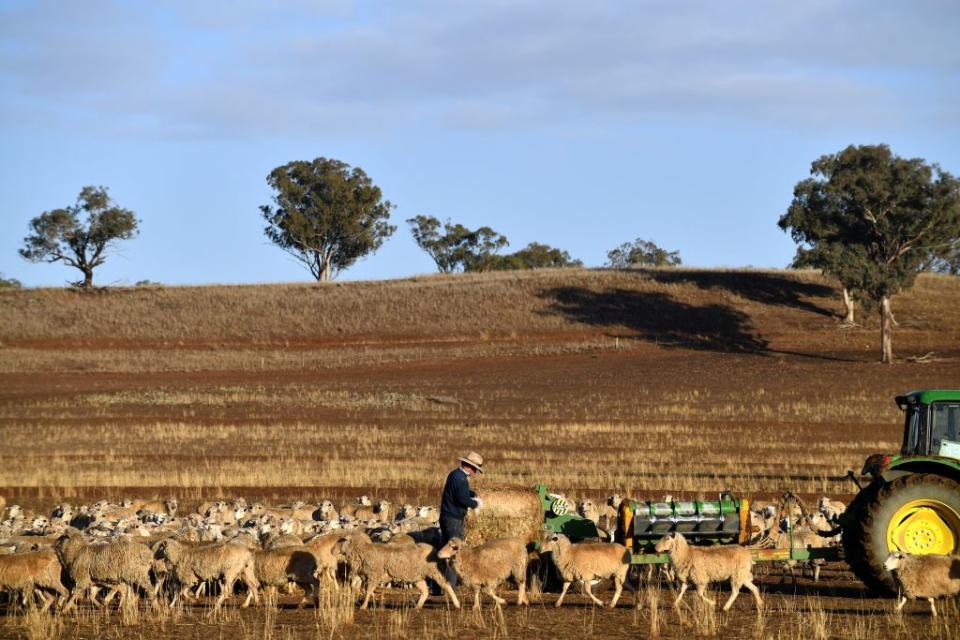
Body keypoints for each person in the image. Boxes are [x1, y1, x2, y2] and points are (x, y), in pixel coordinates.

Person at [437, 451, 484, 589]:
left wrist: (472, 493)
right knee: (455, 552)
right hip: (455, 520)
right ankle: (450, 585)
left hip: (445, 516)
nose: (475, 472)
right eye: (475, 469)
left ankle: (438, 584)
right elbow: (462, 499)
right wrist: (476, 504)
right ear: (469, 466)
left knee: (444, 549)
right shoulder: (462, 480)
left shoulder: (453, 474)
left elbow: (457, 492)